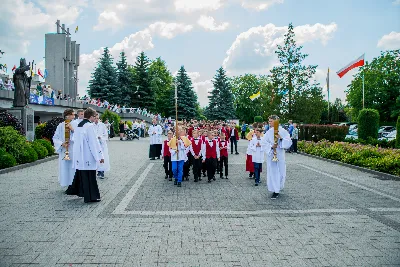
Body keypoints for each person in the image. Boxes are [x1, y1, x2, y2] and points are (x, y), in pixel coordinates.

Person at [72, 108, 104, 203]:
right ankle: (91, 197)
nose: (95, 119)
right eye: (95, 117)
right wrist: (99, 156)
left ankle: (83, 193)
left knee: (83, 175)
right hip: (88, 155)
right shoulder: (90, 126)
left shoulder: (79, 125)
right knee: (90, 176)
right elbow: (94, 143)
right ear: (91, 116)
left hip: (80, 155)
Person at [263, 115, 292, 199]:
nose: (269, 123)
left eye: (271, 121)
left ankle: (278, 187)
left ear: (276, 121)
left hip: (280, 155)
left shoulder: (283, 131)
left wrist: (281, 138)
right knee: (273, 172)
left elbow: (289, 142)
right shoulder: (269, 132)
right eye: (269, 121)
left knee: (281, 172)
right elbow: (264, 142)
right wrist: (271, 146)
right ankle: (275, 190)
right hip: (272, 155)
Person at [53, 109, 76, 188]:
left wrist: (72, 130)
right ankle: (66, 183)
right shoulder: (60, 125)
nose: (74, 116)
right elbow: (55, 137)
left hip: (73, 148)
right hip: (64, 149)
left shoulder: (76, 124)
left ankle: (73, 184)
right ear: (67, 115)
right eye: (72, 114)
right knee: (65, 167)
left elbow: (79, 136)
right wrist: (62, 144)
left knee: (73, 167)